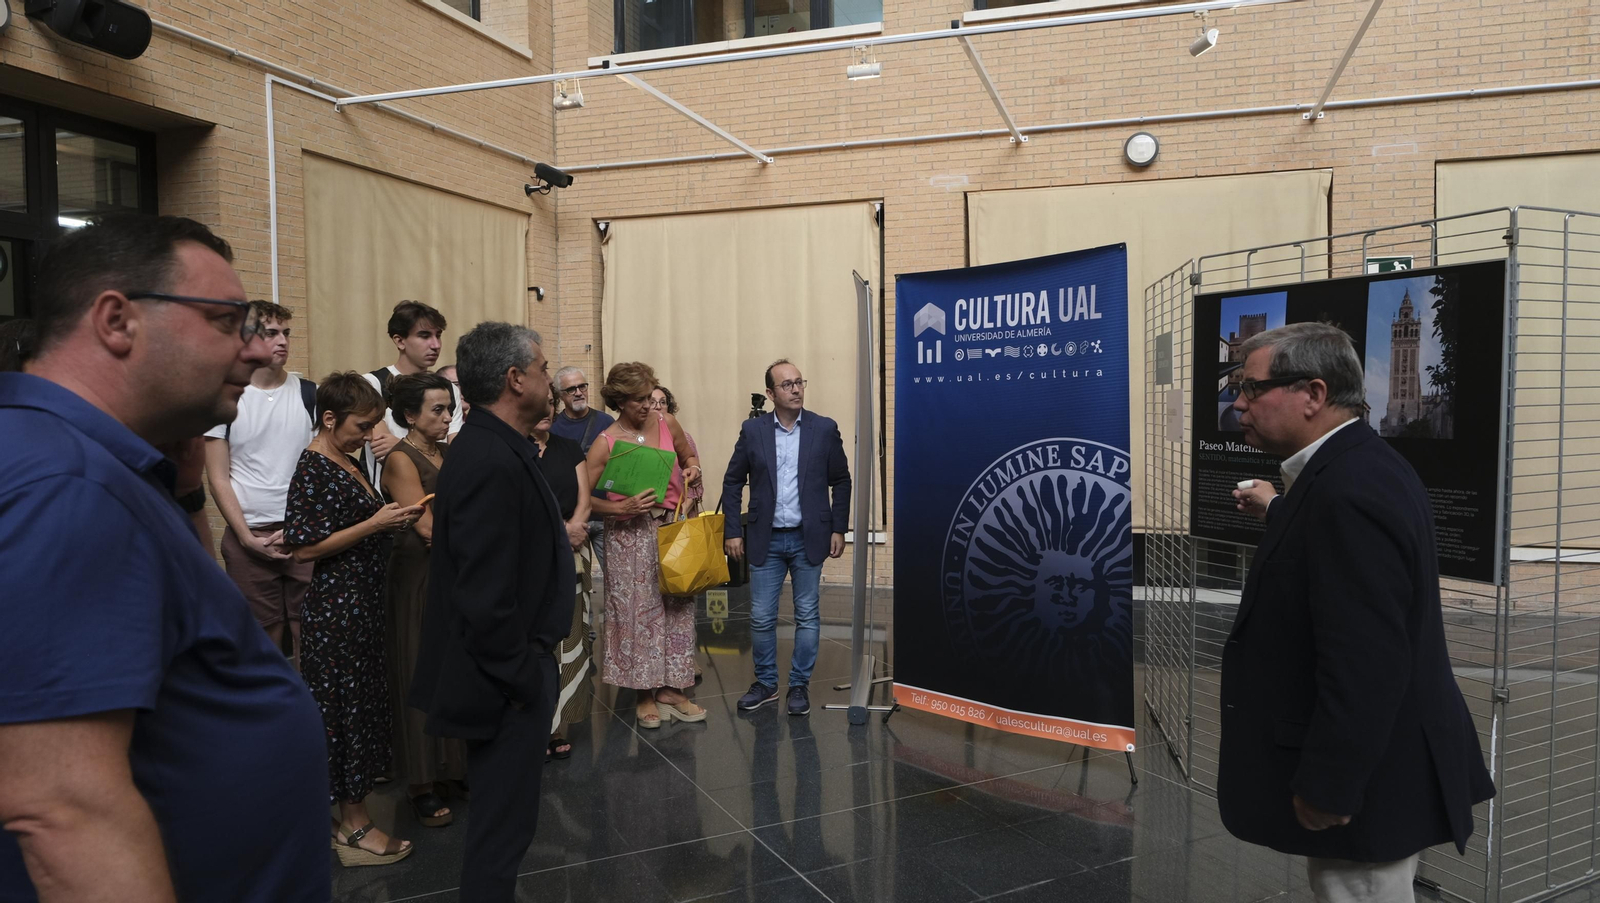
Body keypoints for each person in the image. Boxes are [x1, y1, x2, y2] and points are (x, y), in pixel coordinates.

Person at [0, 214, 329, 901]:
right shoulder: (68, 485)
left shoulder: (84, 464)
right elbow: (63, 807)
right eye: (225, 321)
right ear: (117, 321)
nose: (252, 349)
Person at [1221, 323, 1495, 903]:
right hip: (1379, 767)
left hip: (1370, 788)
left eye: (1251, 387)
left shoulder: (1349, 490)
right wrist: (1278, 510)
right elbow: (1326, 553)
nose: (1239, 403)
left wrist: (1330, 784)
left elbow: (1367, 660)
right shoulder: (1350, 468)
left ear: (1313, 394)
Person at [409, 322, 574, 903]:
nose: (551, 381)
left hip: (513, 672)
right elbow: (483, 594)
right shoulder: (487, 456)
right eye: (544, 368)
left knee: (508, 824)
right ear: (515, 379)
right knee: (501, 832)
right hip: (505, 682)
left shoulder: (498, 444)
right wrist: (523, 678)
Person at [285, 371, 424, 867]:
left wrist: (391, 519)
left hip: (361, 603)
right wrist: (374, 523)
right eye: (361, 426)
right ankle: (354, 824)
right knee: (346, 716)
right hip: (338, 611)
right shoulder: (314, 466)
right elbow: (302, 548)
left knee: (359, 710)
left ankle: (344, 815)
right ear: (329, 418)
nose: (368, 435)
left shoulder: (345, 458)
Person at [721, 359, 852, 716]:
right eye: (787, 384)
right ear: (770, 393)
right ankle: (766, 684)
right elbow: (733, 482)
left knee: (807, 614)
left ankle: (798, 686)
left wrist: (839, 527)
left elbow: (841, 480)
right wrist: (732, 530)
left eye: (799, 382)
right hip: (766, 538)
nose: (795, 389)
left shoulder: (824, 429)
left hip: (810, 536)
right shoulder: (753, 430)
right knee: (762, 617)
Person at [586, 362, 707, 729]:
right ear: (620, 401)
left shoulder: (666, 423)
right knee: (636, 614)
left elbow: (688, 456)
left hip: (670, 527)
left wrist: (692, 468)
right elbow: (581, 498)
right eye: (638, 399)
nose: (648, 405)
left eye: (649, 396)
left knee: (677, 606)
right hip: (628, 536)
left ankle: (671, 688)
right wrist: (619, 507)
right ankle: (643, 693)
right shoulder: (606, 441)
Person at [203, 300, 317, 659]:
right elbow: (217, 477)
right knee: (262, 643)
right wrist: (246, 538)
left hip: (304, 536)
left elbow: (319, 471)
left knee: (310, 635)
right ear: (247, 339)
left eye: (286, 333)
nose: (282, 341)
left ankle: (309, 698)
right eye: (271, 333)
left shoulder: (309, 394)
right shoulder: (226, 397)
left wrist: (303, 527)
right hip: (249, 535)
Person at [379, 371, 468, 828]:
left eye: (449, 408)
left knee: (451, 671)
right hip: (416, 577)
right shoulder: (400, 458)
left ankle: (450, 768)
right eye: (437, 409)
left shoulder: (447, 451)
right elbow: (427, 527)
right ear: (410, 415)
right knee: (418, 669)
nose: (447, 416)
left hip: (449, 573)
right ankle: (420, 784)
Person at [531, 382, 597, 762]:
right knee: (535, 641)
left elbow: (585, 499)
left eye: (551, 405)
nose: (546, 411)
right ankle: (534, 725)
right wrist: (560, 534)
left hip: (572, 551)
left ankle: (556, 726)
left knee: (569, 637)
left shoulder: (568, 447)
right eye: (540, 405)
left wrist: (573, 530)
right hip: (534, 554)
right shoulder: (516, 450)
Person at [361, 300, 465, 486]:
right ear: (400, 341)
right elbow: (382, 445)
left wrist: (402, 446)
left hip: (438, 488)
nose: (435, 345)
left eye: (438, 335)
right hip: (388, 493)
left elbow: (456, 450)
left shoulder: (447, 388)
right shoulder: (373, 382)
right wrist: (429, 453)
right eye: (424, 336)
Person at [552, 365, 614, 572]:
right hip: (575, 520)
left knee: (615, 577)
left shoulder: (606, 422)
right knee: (579, 582)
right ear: (560, 395)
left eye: (582, 386)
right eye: (571, 389)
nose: (578, 392)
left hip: (606, 516)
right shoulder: (553, 428)